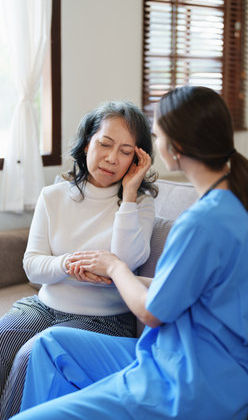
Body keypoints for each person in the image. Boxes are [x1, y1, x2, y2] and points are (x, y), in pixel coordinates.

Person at [12, 86, 248, 420]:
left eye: (155, 130)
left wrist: (114, 266)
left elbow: (151, 313)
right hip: (208, 370)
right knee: (50, 345)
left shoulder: (202, 222)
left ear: (174, 146)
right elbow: (200, 291)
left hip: (186, 382)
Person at [0, 100, 158, 419]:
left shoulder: (139, 205)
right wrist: (69, 264)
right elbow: (32, 264)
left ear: (138, 159)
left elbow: (125, 261)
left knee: (31, 356)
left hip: (105, 319)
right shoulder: (54, 196)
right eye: (105, 144)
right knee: (4, 337)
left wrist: (128, 195)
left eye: (126, 151)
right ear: (88, 143)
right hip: (45, 306)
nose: (112, 158)